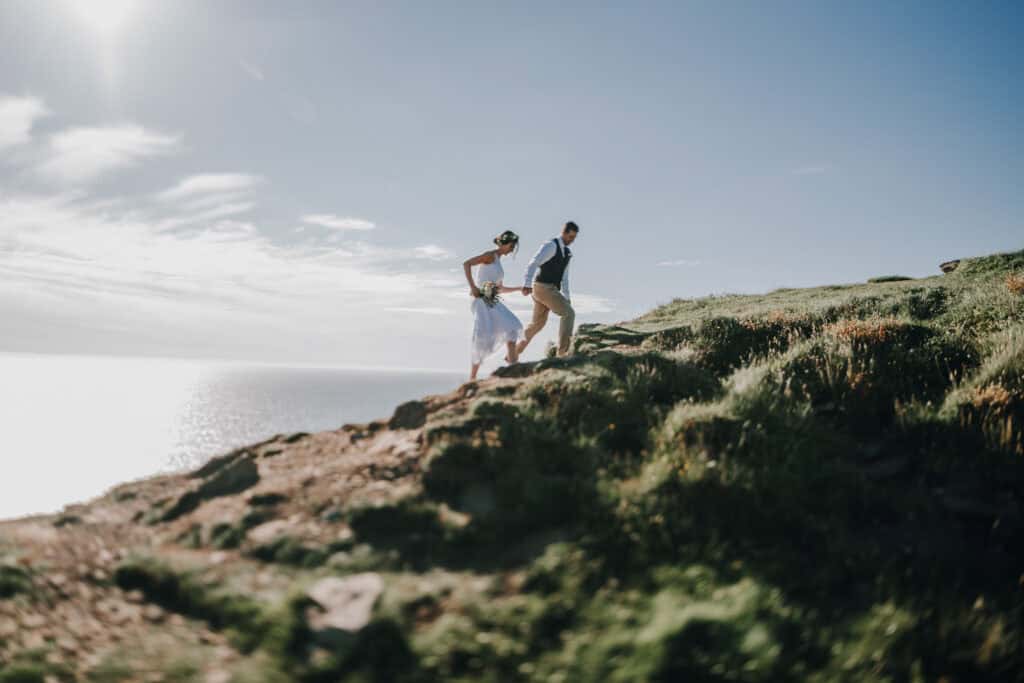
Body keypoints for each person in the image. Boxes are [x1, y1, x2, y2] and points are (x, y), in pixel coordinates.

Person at [462, 230, 526, 380]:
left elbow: (500, 289)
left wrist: (519, 288)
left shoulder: (498, 262)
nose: (512, 249)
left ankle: (513, 368)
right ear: (506, 243)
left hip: (490, 299)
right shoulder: (490, 255)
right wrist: (473, 287)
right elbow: (467, 264)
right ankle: (472, 378)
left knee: (512, 327)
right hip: (480, 299)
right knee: (482, 336)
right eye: (512, 246)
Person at [517, 221, 579, 358]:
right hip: (542, 287)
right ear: (563, 233)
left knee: (537, 324)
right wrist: (527, 283)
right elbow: (534, 262)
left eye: (574, 238)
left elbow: (564, 278)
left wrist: (567, 298)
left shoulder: (568, 253)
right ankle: (562, 354)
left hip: (549, 289)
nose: (572, 240)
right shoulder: (551, 245)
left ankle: (514, 352)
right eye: (570, 237)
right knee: (569, 314)